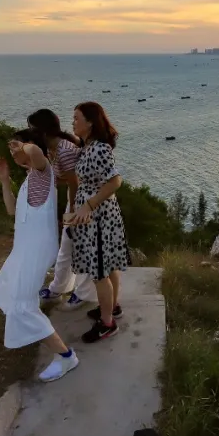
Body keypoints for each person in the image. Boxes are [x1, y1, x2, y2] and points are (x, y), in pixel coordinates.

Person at [0, 128, 79, 382]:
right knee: (8, 288)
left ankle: (65, 357)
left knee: (22, 305)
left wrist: (23, 147)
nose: (14, 152)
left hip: (36, 248)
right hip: (24, 248)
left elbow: (37, 153)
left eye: (16, 148)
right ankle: (39, 333)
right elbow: (10, 210)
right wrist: (5, 180)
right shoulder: (31, 178)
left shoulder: (43, 172)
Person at [66, 102, 131, 343]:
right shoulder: (87, 147)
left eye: (76, 118)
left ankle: (107, 324)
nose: (72, 122)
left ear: (90, 122)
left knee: (100, 272)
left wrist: (88, 205)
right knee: (108, 266)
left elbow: (115, 182)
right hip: (95, 217)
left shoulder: (99, 149)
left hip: (99, 219)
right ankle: (112, 308)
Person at [29, 109, 94, 311]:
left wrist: (73, 212)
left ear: (43, 130)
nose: (30, 133)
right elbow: (62, 178)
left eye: (32, 129)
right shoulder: (51, 148)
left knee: (80, 246)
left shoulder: (64, 149)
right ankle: (59, 287)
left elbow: (74, 183)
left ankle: (83, 293)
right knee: (67, 244)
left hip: (84, 199)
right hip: (75, 197)